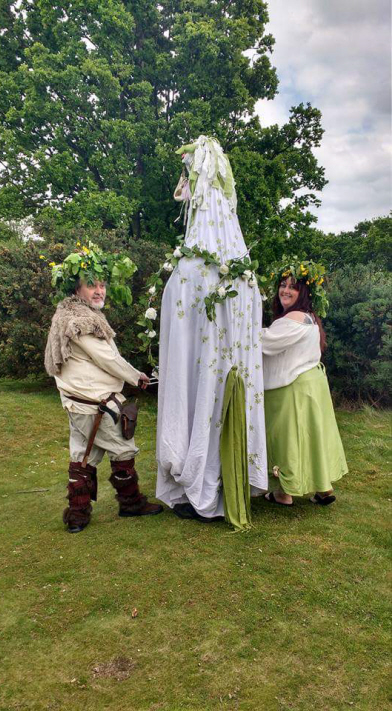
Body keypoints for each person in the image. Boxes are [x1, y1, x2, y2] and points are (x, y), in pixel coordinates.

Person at [156, 136, 267, 528]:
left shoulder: (190, 270)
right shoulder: (243, 273)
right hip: (229, 369)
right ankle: (223, 477)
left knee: (203, 394)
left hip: (213, 369)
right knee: (213, 396)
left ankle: (200, 480)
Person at [44, 242, 163, 533]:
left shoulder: (71, 315)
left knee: (83, 456)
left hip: (80, 403)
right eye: (91, 285)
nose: (99, 291)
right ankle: (131, 503)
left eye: (102, 285)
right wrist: (138, 377)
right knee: (123, 450)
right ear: (76, 289)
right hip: (95, 403)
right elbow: (108, 358)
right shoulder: (79, 321)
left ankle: (78, 515)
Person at [262, 259, 348, 506]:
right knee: (314, 438)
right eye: (282, 285)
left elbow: (266, 342)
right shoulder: (310, 317)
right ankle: (324, 489)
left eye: (293, 287)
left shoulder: (294, 318)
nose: (285, 291)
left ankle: (284, 493)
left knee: (288, 439)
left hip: (293, 387)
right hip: (313, 384)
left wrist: (239, 332)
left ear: (303, 293)